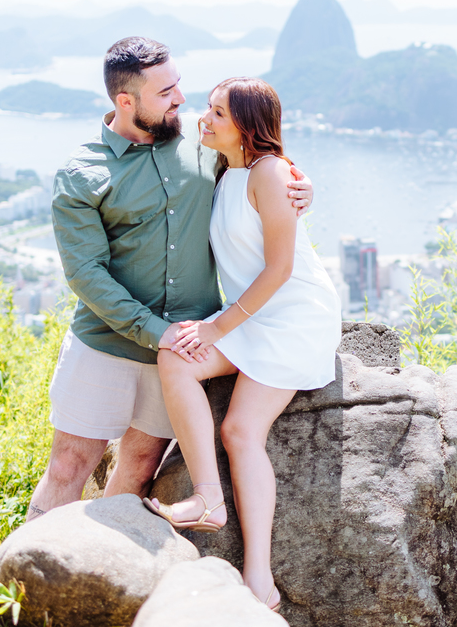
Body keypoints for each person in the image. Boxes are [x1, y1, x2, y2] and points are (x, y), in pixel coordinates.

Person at [25, 39, 313, 521]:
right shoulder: (82, 173)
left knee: (138, 466)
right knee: (68, 465)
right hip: (106, 341)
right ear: (126, 102)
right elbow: (85, 274)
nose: (181, 98)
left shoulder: (206, 149)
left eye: (178, 84)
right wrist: (156, 331)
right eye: (166, 92)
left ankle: (101, 576)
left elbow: (263, 175)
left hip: (183, 349)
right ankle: (22, 582)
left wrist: (302, 188)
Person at [143, 77, 340, 612]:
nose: (205, 120)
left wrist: (216, 328)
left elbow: (279, 269)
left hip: (294, 316)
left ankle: (259, 578)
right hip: (256, 316)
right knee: (175, 360)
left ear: (247, 127)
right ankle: (209, 500)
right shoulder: (225, 168)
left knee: (240, 430)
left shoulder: (270, 173)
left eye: (219, 114)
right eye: (207, 109)